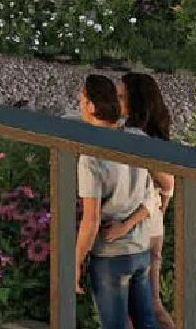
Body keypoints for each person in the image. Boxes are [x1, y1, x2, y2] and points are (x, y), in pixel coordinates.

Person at [73, 75, 161, 329]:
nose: (79, 106)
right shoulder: (137, 137)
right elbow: (152, 194)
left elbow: (91, 220)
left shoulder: (92, 156)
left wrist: (75, 262)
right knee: (146, 323)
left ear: (91, 106)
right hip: (140, 250)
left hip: (110, 256)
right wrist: (127, 225)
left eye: (81, 100)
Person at [100, 74, 178, 329]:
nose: (117, 100)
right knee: (148, 308)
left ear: (136, 101)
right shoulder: (146, 136)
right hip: (149, 225)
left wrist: (159, 208)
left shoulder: (135, 138)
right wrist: (160, 210)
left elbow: (167, 182)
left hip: (139, 228)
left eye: (121, 96)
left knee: (144, 309)